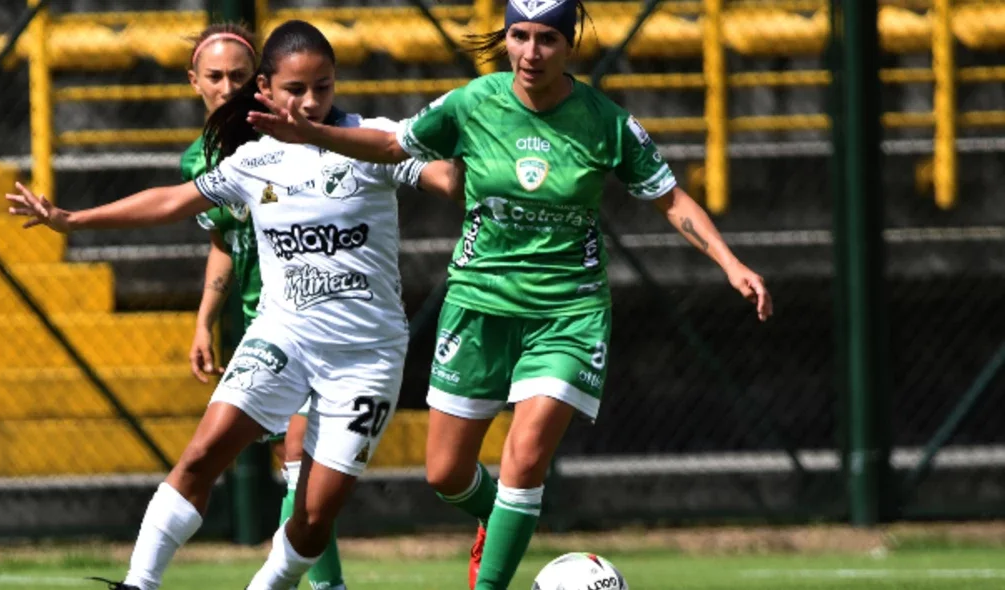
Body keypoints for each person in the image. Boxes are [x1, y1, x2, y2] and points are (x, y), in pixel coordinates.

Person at [246, 2, 774, 588]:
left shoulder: (605, 122)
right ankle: (498, 519)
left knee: (525, 458)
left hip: (567, 312)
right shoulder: (473, 102)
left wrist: (730, 262)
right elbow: (396, 146)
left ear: (569, 44)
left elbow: (670, 197)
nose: (531, 52)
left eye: (546, 38)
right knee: (446, 473)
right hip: (478, 305)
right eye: (519, 36)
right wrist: (312, 134)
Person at [7, 19, 462, 590]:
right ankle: (139, 583)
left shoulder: (374, 140)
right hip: (282, 338)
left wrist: (471, 149)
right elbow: (173, 201)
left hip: (366, 357)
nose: (311, 102)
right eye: (295, 89)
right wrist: (73, 219)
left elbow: (447, 180)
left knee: (314, 517)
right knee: (201, 455)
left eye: (323, 86)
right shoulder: (254, 161)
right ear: (265, 89)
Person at [181, 22, 349, 590]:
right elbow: (223, 244)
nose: (226, 87)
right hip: (261, 326)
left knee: (301, 459)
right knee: (291, 464)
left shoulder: (292, 137)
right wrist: (204, 322)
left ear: (259, 82)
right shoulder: (198, 161)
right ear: (194, 81)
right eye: (214, 76)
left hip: (312, 318)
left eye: (237, 75)